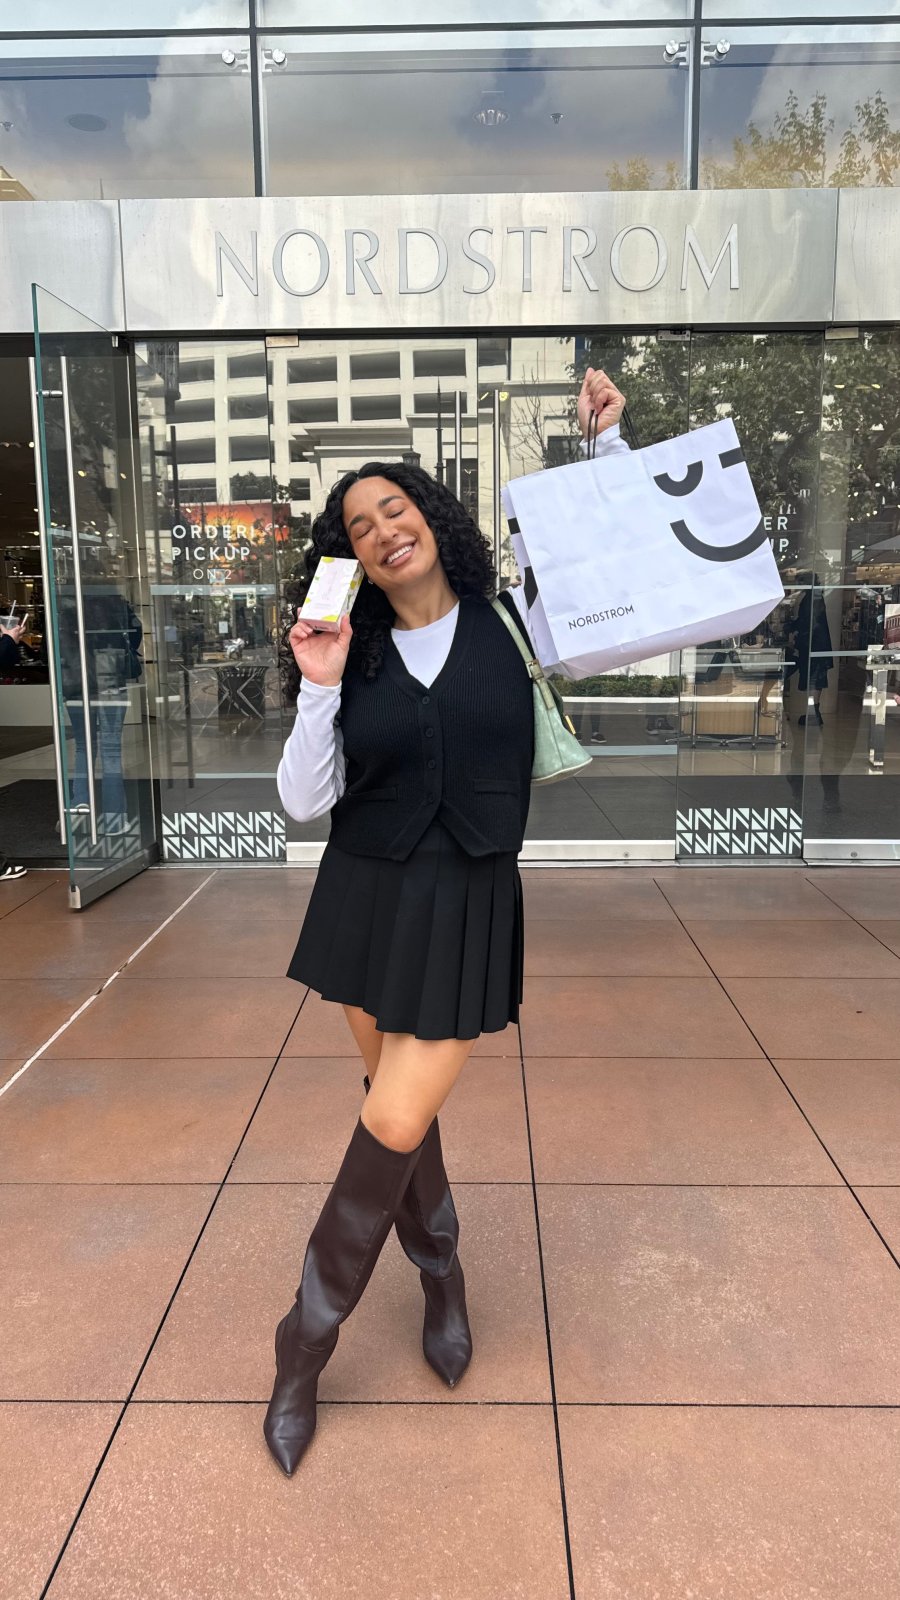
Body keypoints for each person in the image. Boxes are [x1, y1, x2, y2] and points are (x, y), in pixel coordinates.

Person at [263, 368, 630, 1476]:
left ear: (432, 515)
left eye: (396, 508)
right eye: (359, 526)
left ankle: (303, 1341)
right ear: (351, 557)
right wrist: (320, 682)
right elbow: (297, 799)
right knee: (397, 1113)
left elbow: (621, 574)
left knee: (391, 1120)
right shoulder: (351, 647)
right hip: (364, 895)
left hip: (467, 895)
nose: (382, 530)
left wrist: (611, 450)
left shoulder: (516, 621)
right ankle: (442, 1274)